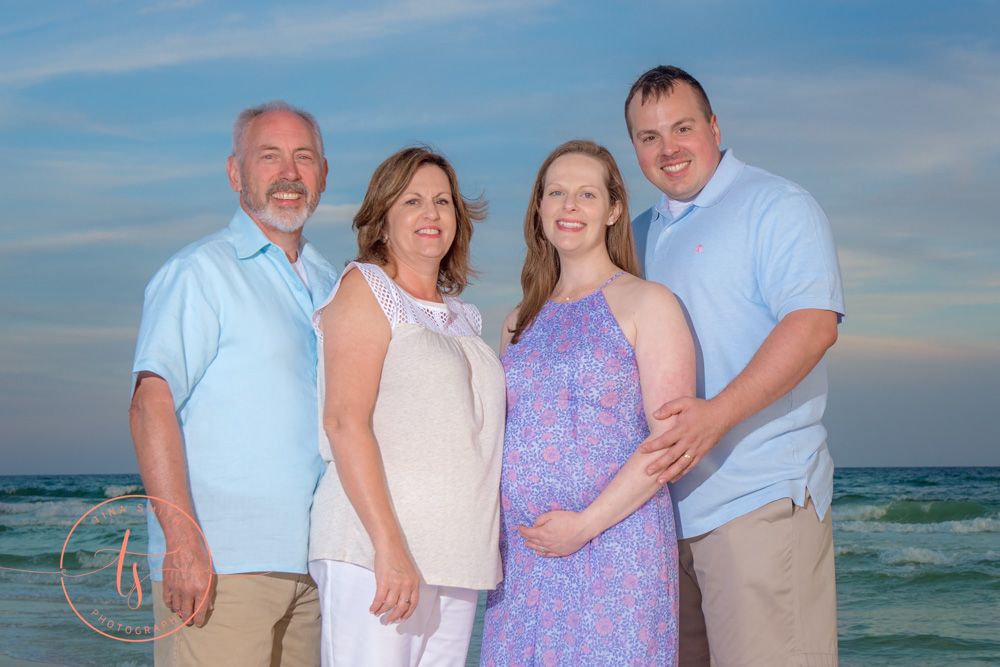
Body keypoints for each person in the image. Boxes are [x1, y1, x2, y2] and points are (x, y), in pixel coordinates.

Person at [625, 65, 845, 666]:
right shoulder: (639, 237)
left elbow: (813, 325)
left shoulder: (775, 205)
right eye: (649, 137)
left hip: (758, 498)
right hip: (663, 519)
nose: (668, 149)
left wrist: (714, 416)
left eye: (683, 128)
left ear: (715, 127)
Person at [129, 101, 336, 666]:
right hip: (222, 564)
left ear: (324, 174)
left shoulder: (335, 284)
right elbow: (151, 404)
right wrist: (183, 542)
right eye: (269, 157)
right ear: (235, 173)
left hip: (317, 568)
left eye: (304, 158)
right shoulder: (200, 272)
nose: (289, 173)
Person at [480, 140, 696, 665]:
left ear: (613, 209)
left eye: (586, 194)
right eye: (556, 192)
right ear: (539, 208)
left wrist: (585, 524)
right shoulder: (516, 322)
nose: (569, 206)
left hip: (616, 544)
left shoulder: (649, 302)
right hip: (525, 557)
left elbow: (670, 443)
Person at [307, 146, 504, 666]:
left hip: (457, 558)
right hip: (377, 550)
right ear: (383, 218)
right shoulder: (364, 288)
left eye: (442, 201)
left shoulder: (466, 316)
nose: (431, 213)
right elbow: (343, 422)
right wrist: (388, 548)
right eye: (412, 200)